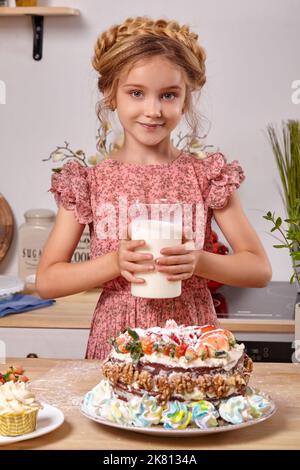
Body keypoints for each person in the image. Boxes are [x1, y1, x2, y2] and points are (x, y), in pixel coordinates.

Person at [36, 16, 272, 359]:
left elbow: (258, 269)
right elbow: (47, 280)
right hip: (117, 342)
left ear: (185, 98)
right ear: (110, 94)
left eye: (168, 95)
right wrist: (114, 263)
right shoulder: (90, 182)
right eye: (136, 93)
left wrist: (198, 261)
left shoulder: (206, 176)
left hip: (192, 341)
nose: (153, 110)